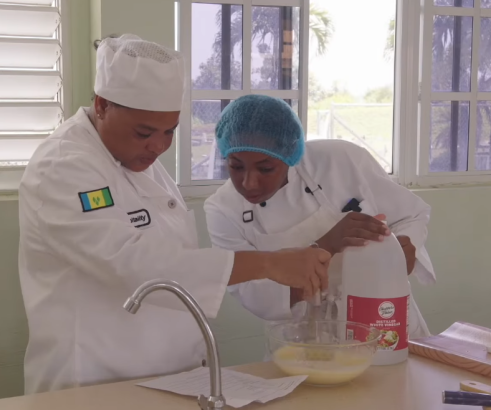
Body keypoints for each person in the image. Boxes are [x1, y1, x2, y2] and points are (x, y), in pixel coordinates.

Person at [18, 34, 331, 394]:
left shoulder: (137, 160)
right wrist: (268, 263)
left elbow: (173, 258)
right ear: (102, 105)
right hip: (94, 377)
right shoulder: (63, 166)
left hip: (167, 375)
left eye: (170, 132)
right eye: (144, 132)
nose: (159, 146)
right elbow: (135, 264)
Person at [204, 94, 435, 338]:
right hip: (305, 337)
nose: (249, 183)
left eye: (266, 168)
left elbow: (412, 215)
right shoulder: (223, 210)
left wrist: (404, 248)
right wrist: (326, 246)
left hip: (383, 316)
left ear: (289, 155)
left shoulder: (341, 160)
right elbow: (256, 297)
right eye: (236, 166)